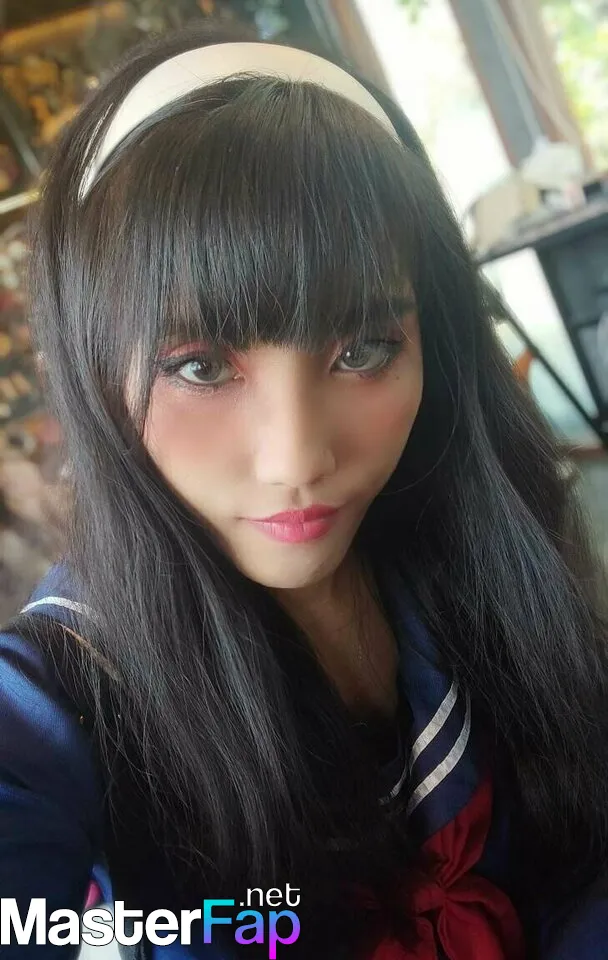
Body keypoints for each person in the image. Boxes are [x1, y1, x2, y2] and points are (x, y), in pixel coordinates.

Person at [1, 19, 607, 960]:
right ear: (93, 367)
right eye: (200, 366)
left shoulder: (469, 547)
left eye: (363, 349)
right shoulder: (64, 691)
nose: (297, 459)